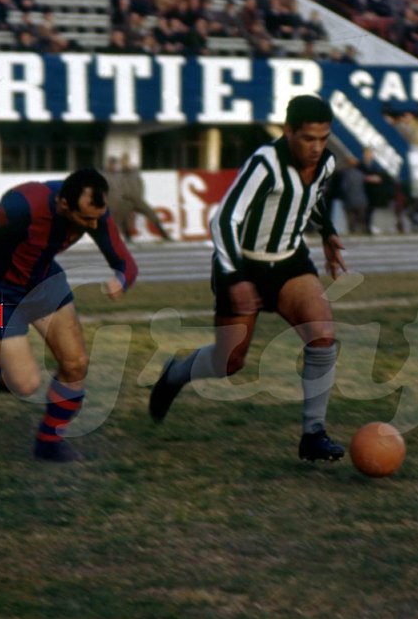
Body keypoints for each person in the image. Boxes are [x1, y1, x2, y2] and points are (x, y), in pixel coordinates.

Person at [149, 95, 349, 462]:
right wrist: (236, 277)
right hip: (243, 265)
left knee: (323, 336)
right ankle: (174, 374)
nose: (317, 147)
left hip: (290, 263)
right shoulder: (265, 163)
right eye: (308, 138)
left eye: (323, 138)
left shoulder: (326, 163)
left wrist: (327, 231)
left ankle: (313, 434)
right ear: (288, 131)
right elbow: (224, 219)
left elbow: (311, 198)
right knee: (229, 362)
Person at [0, 169, 139, 463]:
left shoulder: (95, 211)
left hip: (42, 282)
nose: (93, 225)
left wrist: (121, 280)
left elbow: (125, 262)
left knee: (76, 365)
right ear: (63, 204)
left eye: (96, 218)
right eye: (86, 219)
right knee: (22, 385)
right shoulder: (23, 205)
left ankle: (49, 442)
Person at [106, 153, 173, 241]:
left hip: (137, 199)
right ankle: (128, 238)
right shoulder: (119, 174)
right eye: (123, 162)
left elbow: (141, 184)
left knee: (151, 214)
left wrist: (140, 195)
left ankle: (164, 235)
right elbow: (118, 188)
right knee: (122, 218)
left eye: (126, 161)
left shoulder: (134, 172)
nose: (125, 164)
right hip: (126, 200)